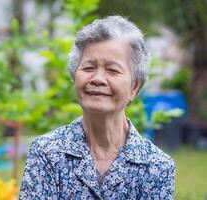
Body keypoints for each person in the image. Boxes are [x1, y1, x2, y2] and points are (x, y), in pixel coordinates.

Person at [19, 16, 175, 199]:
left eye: (112, 70)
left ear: (134, 87)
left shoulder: (157, 167)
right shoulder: (46, 153)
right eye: (88, 68)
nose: (98, 79)